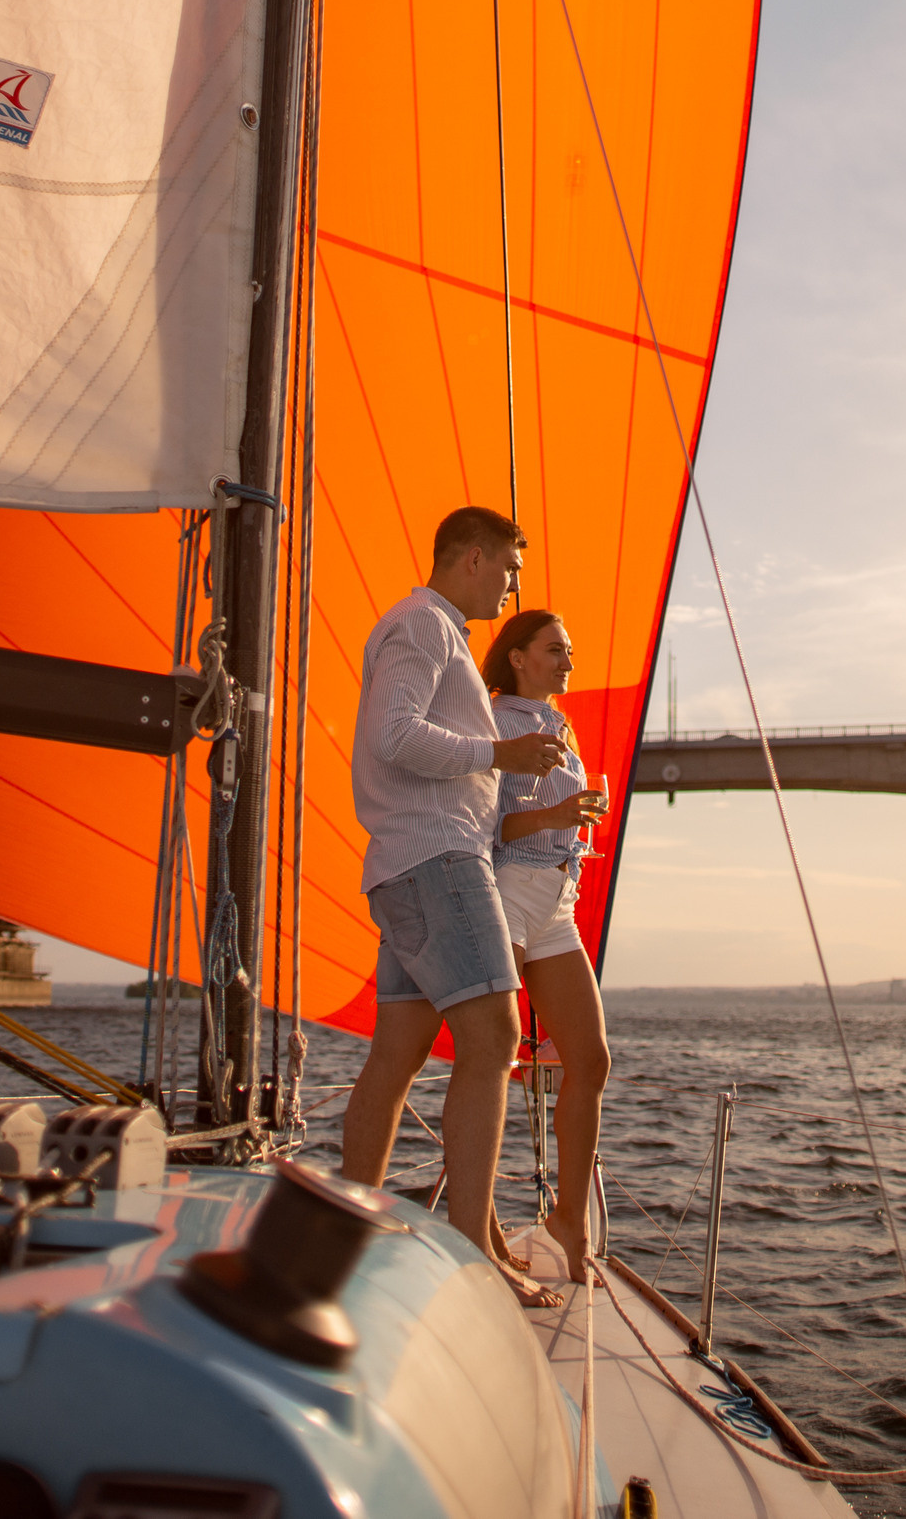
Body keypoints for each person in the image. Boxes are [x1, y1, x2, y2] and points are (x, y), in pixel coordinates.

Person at [337, 506, 567, 1307]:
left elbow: (411, 740)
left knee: (396, 1055)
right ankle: (474, 1247)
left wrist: (505, 764)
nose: (511, 586)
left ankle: (353, 1222)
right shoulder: (426, 627)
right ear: (472, 558)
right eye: (508, 569)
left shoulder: (435, 635)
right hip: (436, 858)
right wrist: (500, 752)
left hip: (406, 865)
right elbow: (396, 733)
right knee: (496, 1033)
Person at [483, 608, 611, 1282]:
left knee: (589, 1060)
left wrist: (575, 822)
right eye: (555, 649)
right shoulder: (496, 721)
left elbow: (559, 817)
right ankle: (480, 1224)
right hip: (508, 889)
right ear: (519, 657)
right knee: (492, 1057)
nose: (567, 660)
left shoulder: (559, 723)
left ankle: (569, 1219)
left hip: (557, 899)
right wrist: (563, 814)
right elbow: (493, 824)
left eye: (570, 649)